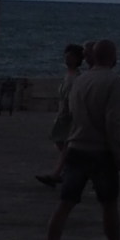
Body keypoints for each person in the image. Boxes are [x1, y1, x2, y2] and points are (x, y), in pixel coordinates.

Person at [42, 37, 120, 240]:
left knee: (64, 205)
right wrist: (117, 153)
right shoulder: (113, 81)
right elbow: (112, 122)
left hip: (76, 148)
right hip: (101, 151)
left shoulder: (80, 80)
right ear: (112, 57)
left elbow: (71, 114)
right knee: (109, 205)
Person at [37, 42, 87, 187]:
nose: (67, 59)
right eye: (66, 56)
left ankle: (58, 173)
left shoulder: (77, 77)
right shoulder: (68, 75)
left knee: (65, 143)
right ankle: (69, 167)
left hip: (70, 115)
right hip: (63, 114)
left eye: (70, 56)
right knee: (60, 140)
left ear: (77, 59)